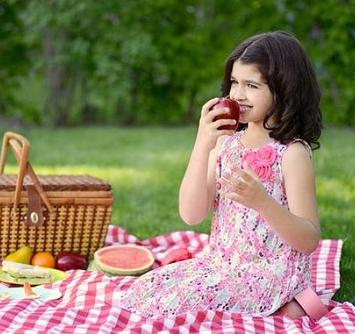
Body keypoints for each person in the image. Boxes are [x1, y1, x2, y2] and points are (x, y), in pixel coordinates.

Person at [120, 31, 323, 319]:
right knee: (147, 289)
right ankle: (280, 309)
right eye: (234, 83)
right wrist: (203, 143)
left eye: (251, 85)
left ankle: (294, 302)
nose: (237, 94)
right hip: (223, 265)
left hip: (269, 274)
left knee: (180, 304)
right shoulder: (227, 144)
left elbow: (308, 239)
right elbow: (191, 215)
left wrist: (262, 202)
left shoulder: (292, 154)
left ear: (284, 89)